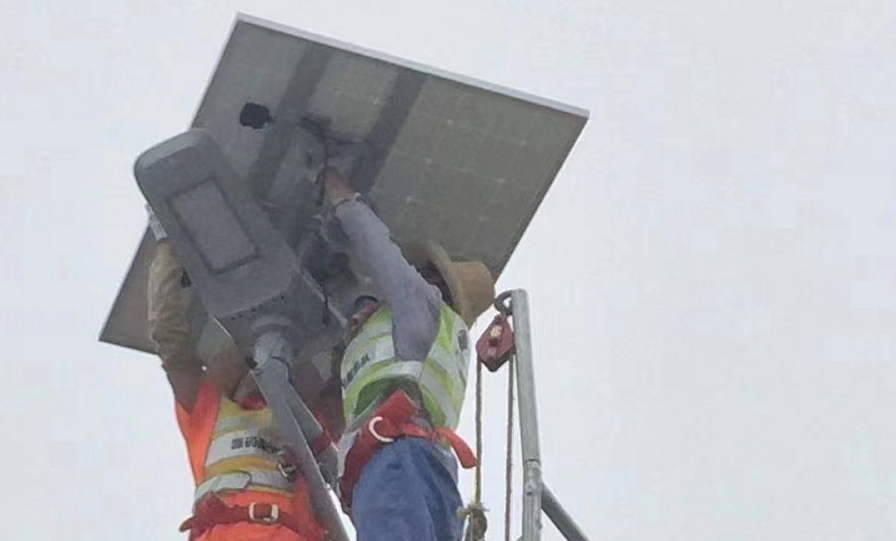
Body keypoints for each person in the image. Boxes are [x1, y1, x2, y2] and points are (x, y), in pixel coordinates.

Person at [317, 166, 496, 541]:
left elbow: (380, 253)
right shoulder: (433, 339)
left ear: (433, 281)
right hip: (422, 463)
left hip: (398, 458)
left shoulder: (422, 305)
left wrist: (344, 200)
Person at [146, 215, 343, 541]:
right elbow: (169, 340)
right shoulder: (208, 412)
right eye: (252, 366)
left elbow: (341, 388)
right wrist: (167, 245)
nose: (258, 376)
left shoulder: (310, 424)